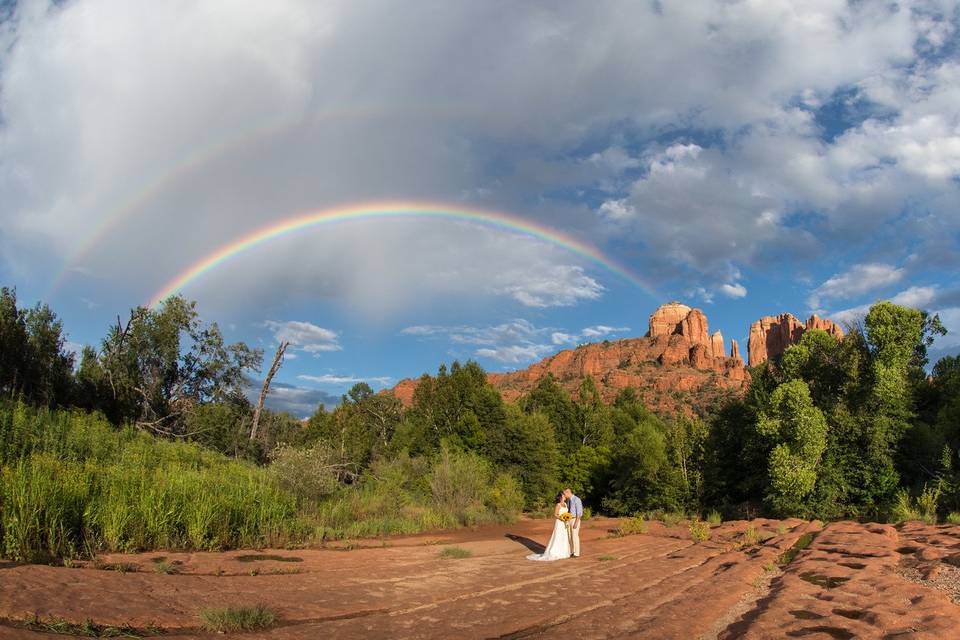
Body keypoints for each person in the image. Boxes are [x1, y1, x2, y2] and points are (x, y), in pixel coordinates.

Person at [526, 492, 572, 561]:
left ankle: (563, 552)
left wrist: (566, 519)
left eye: (564, 496)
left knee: (564, 536)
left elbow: (567, 513)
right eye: (563, 495)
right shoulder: (558, 505)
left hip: (565, 523)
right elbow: (555, 514)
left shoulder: (565, 504)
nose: (565, 496)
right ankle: (555, 552)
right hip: (560, 522)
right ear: (560, 497)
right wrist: (561, 518)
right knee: (558, 536)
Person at [564, 488, 583, 557]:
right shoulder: (568, 501)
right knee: (569, 536)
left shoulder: (577, 499)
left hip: (575, 519)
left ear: (568, 492)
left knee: (574, 536)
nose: (564, 495)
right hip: (569, 520)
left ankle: (576, 553)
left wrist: (576, 522)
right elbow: (568, 511)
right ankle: (571, 551)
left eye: (565, 494)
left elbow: (579, 512)